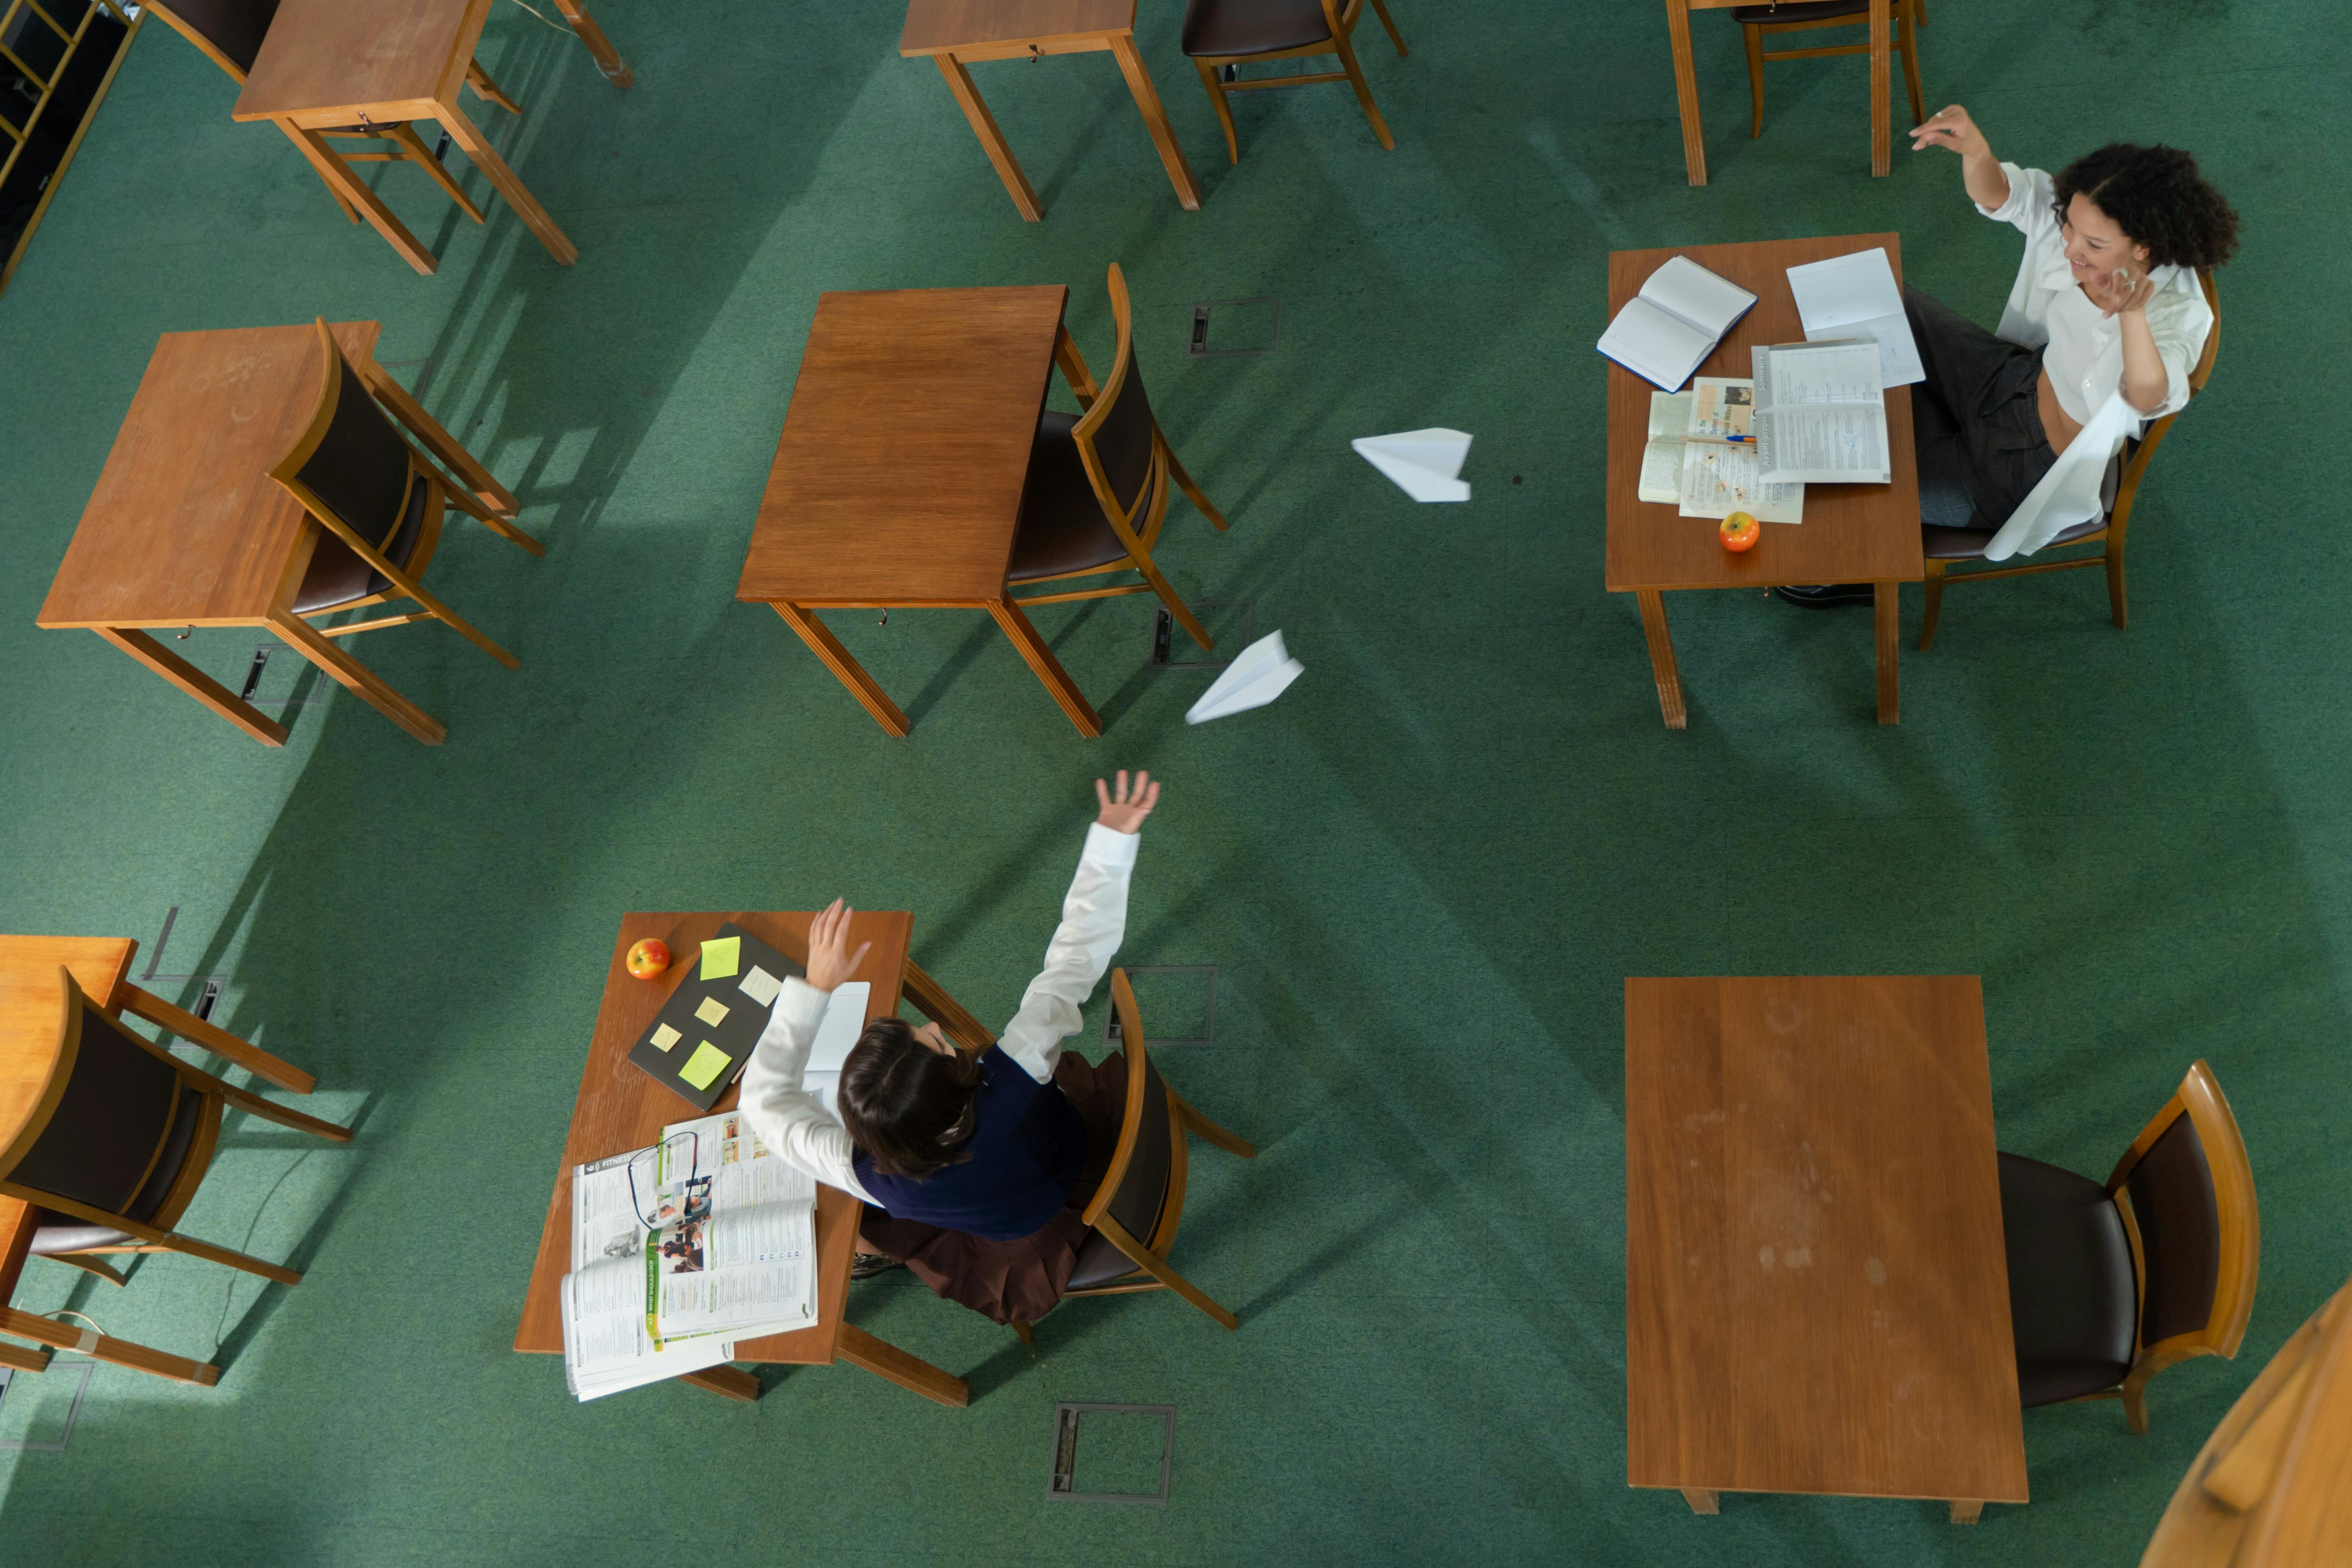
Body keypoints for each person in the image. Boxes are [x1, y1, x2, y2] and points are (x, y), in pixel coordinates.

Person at [737, 770, 1159, 1326]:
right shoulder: (1024, 1062)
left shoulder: (860, 1169)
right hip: (1072, 1152)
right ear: (956, 1078)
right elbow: (1076, 955)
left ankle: (872, 1259)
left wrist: (813, 989)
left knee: (869, 1225)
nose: (935, 1023)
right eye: (932, 1038)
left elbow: (762, 1104)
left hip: (1015, 1227)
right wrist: (1110, 843)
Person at [1776, 107, 2236, 606]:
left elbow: (2149, 395)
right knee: (1878, 289)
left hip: (2012, 470)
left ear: (2143, 249)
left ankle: (1852, 572)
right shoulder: (2080, 227)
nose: (2071, 251)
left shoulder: (2177, 313)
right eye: (2069, 229)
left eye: (2093, 244)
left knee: (1828, 481)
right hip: (2009, 380)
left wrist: (2131, 317)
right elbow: (2004, 196)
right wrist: (1978, 152)